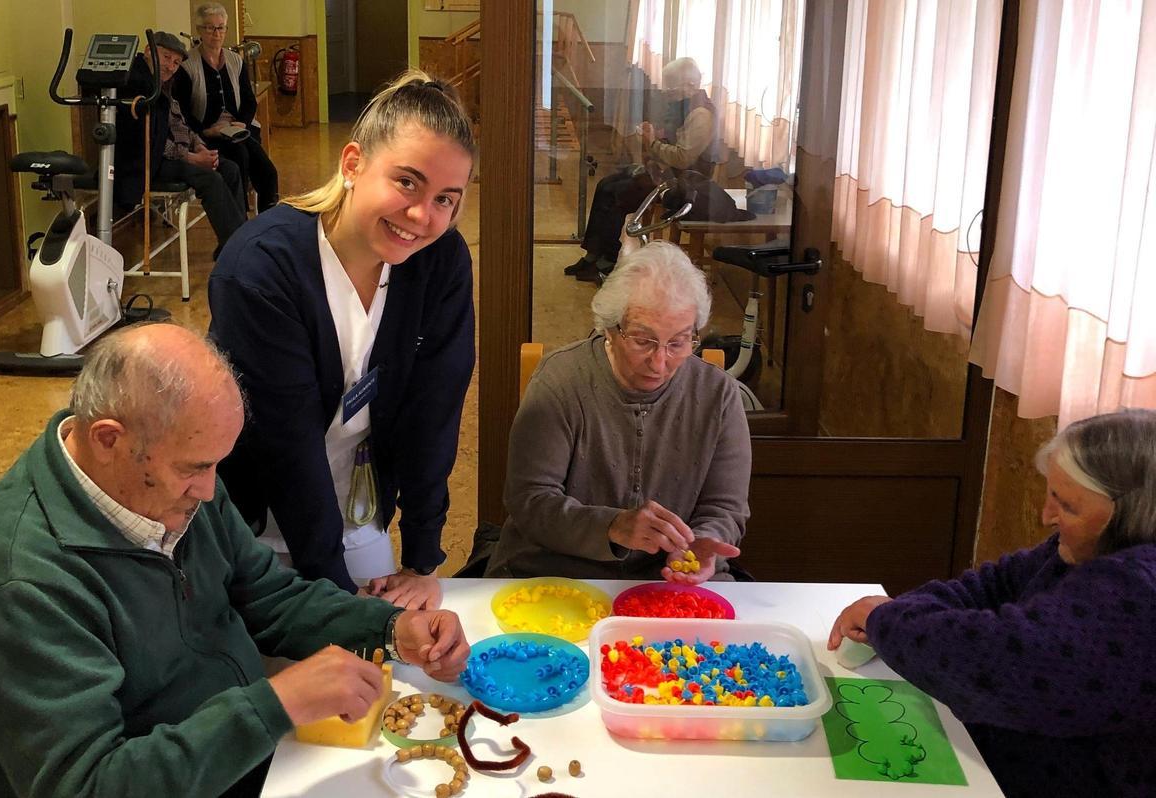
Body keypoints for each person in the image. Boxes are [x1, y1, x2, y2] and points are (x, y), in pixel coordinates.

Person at [0, 323, 470, 797]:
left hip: (241, 753)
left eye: (216, 465)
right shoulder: (18, 584)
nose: (208, 489)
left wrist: (390, 627)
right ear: (109, 439)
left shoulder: (168, 476)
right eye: (194, 468)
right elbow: (88, 784)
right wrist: (274, 705)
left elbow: (267, 594)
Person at [209, 69, 475, 610]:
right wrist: (336, 598)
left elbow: (435, 410)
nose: (423, 217)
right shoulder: (261, 268)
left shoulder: (440, 262)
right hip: (251, 518)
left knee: (383, 678)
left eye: (447, 198)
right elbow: (286, 446)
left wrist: (423, 558)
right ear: (353, 164)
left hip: (356, 506)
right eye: (407, 182)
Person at [828, 409, 1156, 798]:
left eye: (1068, 506)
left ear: (1131, 514)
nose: (1046, 516)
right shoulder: (1084, 546)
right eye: (1052, 495)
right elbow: (991, 584)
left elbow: (998, 659)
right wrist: (902, 615)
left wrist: (887, 621)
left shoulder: (1139, 590)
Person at [486, 242, 749, 580]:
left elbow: (725, 507)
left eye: (679, 342)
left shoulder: (718, 395)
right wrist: (612, 526)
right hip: (555, 571)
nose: (660, 362)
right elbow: (529, 500)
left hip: (667, 580)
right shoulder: (561, 381)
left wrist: (703, 542)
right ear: (609, 329)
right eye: (643, 340)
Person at [565, 56, 748, 285]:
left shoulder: (701, 114)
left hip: (685, 185)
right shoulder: (684, 107)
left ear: (691, 85)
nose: (667, 92)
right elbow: (674, 141)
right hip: (667, 174)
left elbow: (683, 159)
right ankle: (592, 254)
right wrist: (657, 134)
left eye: (672, 87)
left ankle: (607, 261)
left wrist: (652, 142)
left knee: (619, 193)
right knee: (605, 185)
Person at [116, 31, 247, 257]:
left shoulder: (163, 84)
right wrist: (191, 158)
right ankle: (235, 252)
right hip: (146, 162)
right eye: (166, 58)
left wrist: (198, 145)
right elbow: (149, 141)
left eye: (176, 62)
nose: (171, 66)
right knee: (210, 179)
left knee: (230, 168)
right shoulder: (136, 84)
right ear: (149, 51)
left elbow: (178, 122)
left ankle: (239, 240)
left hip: (169, 155)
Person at [172, 4, 279, 213]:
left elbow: (249, 100)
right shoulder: (188, 65)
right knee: (239, 158)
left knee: (268, 171)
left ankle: (269, 220)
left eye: (221, 28)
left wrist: (243, 122)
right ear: (200, 31)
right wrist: (206, 130)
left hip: (237, 130)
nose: (216, 33)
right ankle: (239, 221)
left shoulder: (235, 61)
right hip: (206, 135)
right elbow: (183, 111)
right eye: (210, 28)